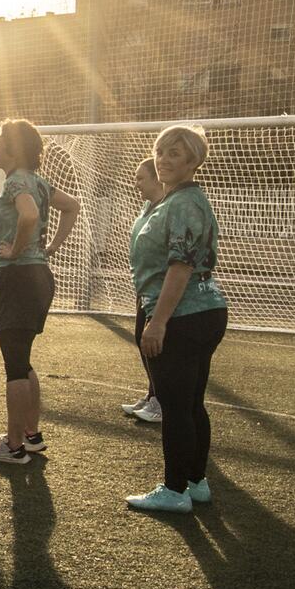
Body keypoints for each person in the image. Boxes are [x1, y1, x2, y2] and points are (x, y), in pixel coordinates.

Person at [126, 125, 228, 514]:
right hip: (200, 311)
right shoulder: (175, 200)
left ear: (193, 161)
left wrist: (158, 322)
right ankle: (195, 481)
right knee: (189, 402)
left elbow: (181, 266)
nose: (165, 159)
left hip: (185, 314)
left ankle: (174, 488)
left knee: (176, 405)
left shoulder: (184, 202)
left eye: (176, 153)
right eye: (161, 151)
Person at [0, 118, 80, 465]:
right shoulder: (37, 181)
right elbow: (72, 205)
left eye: (1, 139)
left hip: (18, 276)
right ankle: (32, 437)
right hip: (38, 276)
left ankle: (14, 446)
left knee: (15, 365)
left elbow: (29, 216)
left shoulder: (18, 180)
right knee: (22, 360)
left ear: (14, 148)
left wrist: (18, 250)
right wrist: (49, 249)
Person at [122, 157, 166, 424]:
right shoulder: (147, 207)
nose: (136, 183)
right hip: (145, 288)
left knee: (155, 346)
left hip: (160, 290)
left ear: (156, 178)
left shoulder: (167, 208)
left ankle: (162, 400)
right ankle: (153, 394)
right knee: (142, 339)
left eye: (140, 178)